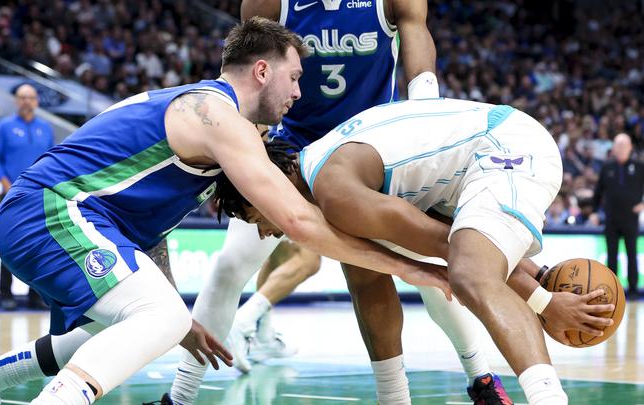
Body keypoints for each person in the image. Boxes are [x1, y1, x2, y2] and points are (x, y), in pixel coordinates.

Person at [0, 18, 446, 405]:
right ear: (262, 71)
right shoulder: (217, 114)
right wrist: (408, 267)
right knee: (161, 317)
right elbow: (300, 221)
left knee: (125, 326)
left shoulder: (210, 124)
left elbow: (145, 229)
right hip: (49, 212)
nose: (300, 93)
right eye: (295, 77)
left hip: (62, 217)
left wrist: (174, 317)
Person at [169, 2, 516, 404]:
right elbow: (249, 73)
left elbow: (416, 32)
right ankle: (179, 396)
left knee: (427, 279)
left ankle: (482, 380)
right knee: (232, 264)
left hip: (372, 155)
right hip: (291, 156)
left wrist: (425, 110)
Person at [215, 97, 595, 405]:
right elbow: (384, 275)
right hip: (477, 162)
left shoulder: (335, 193)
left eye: (254, 217)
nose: (265, 233)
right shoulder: (326, 174)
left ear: (270, 182)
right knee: (363, 275)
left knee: (468, 274)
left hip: (508, 146)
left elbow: (450, 247)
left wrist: (544, 302)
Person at [0, 83, 55, 310]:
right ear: (16, 100)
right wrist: (6, 184)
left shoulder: (45, 128)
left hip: (38, 195)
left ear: (36, 101)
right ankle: (5, 294)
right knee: (9, 242)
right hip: (11, 195)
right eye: (22, 97)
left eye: (31, 97)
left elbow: (51, 159)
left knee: (39, 244)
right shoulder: (4, 126)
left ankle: (36, 295)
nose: (26, 101)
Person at [593, 133, 644, 300]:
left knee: (631, 253)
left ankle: (634, 289)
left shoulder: (639, 166)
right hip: (612, 218)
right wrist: (594, 212)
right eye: (618, 146)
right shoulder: (607, 167)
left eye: (624, 146)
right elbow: (598, 191)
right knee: (612, 254)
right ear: (613, 148)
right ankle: (613, 289)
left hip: (631, 217)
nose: (621, 149)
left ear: (630, 147)